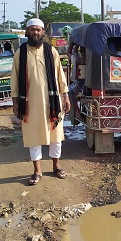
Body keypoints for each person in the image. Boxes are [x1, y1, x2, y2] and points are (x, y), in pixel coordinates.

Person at [11, 18, 71, 186]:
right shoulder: (20, 53)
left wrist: (65, 96)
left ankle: (56, 166)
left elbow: (60, 75)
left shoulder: (51, 51)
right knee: (33, 136)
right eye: (32, 30)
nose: (35, 33)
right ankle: (37, 171)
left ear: (43, 32)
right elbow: (14, 78)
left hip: (52, 102)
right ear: (27, 32)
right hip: (29, 103)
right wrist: (15, 102)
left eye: (38, 30)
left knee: (56, 135)